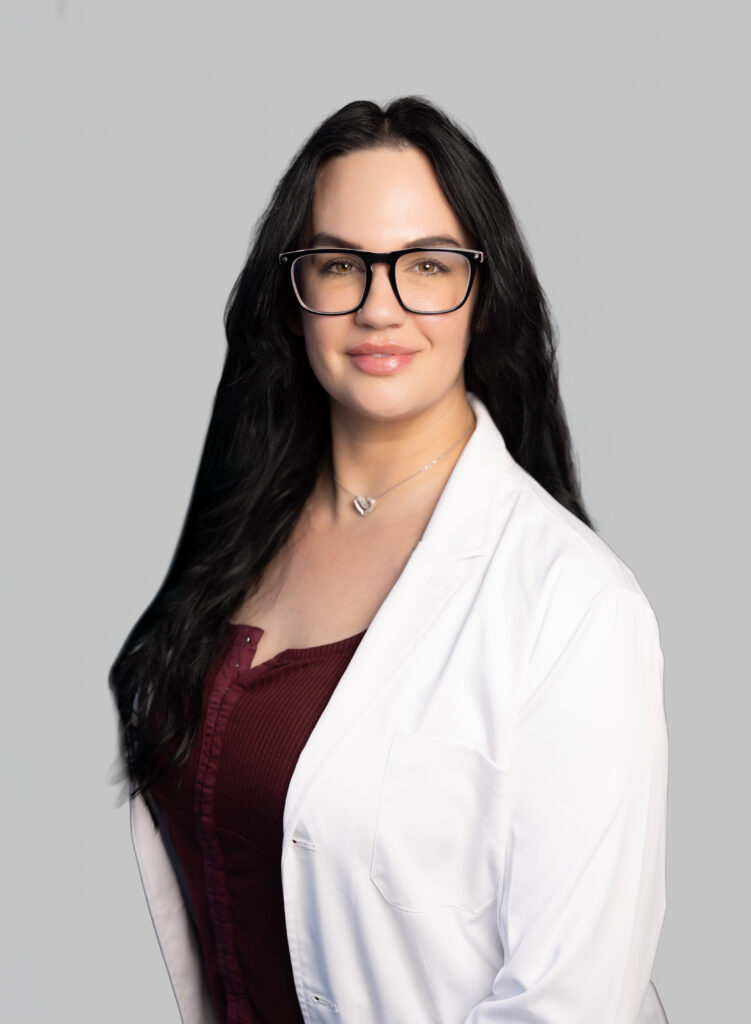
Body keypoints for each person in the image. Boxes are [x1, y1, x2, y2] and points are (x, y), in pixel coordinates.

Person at [109, 97, 669, 1024]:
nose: (379, 306)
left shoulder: (573, 607)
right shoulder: (237, 544)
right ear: (292, 298)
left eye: (426, 266)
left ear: (482, 292)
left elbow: (568, 1006)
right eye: (339, 265)